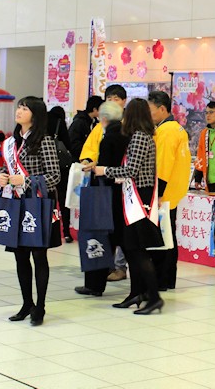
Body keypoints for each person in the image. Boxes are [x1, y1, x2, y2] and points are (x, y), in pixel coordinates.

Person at [0, 96, 61, 326]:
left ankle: (40, 306)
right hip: (16, 204)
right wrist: (1, 176)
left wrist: (26, 180)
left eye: (25, 108)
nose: (19, 111)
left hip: (38, 204)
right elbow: (8, 168)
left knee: (39, 256)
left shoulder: (45, 140)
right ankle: (26, 303)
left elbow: (54, 176)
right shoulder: (12, 141)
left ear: (36, 114)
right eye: (19, 107)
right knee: (20, 256)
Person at [94, 98, 164, 315]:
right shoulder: (139, 137)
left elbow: (131, 170)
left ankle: (153, 297)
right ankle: (137, 293)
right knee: (132, 249)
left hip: (138, 198)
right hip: (133, 195)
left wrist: (104, 171)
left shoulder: (140, 138)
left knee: (139, 251)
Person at [74, 101, 127, 297]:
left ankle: (94, 285)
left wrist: (95, 168)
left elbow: (106, 168)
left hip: (104, 196)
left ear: (103, 118)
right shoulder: (126, 134)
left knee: (98, 237)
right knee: (121, 239)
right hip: (122, 195)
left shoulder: (109, 138)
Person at [147, 90, 191, 290]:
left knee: (162, 237)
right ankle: (167, 279)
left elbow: (163, 165)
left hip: (165, 192)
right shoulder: (178, 129)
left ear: (162, 108)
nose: (149, 114)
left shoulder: (165, 132)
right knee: (168, 235)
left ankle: (161, 280)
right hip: (174, 191)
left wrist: (157, 193)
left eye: (151, 109)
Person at [47, 106, 72, 243]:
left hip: (44, 169)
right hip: (61, 167)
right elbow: (67, 143)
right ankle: (66, 232)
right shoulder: (59, 123)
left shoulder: (41, 121)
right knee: (63, 200)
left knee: (48, 200)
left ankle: (47, 230)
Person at [68, 95, 103, 161]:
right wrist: (86, 151)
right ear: (95, 109)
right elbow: (72, 142)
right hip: (78, 159)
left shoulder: (95, 122)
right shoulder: (79, 122)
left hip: (90, 159)